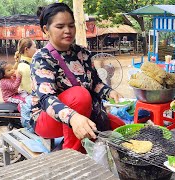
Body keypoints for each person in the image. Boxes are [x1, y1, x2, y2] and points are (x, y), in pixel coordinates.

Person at [31, 3, 124, 153]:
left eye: (71, 25)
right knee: (79, 95)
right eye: (60, 27)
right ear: (45, 30)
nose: (68, 31)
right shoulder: (42, 58)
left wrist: (110, 92)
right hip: (47, 119)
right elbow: (46, 98)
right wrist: (73, 117)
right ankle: (73, 154)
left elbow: (95, 84)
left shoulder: (84, 53)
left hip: (84, 112)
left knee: (122, 131)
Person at [14, 37, 37, 132]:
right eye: (34, 47)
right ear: (27, 49)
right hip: (29, 101)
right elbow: (32, 90)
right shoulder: (26, 68)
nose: (36, 50)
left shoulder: (24, 64)